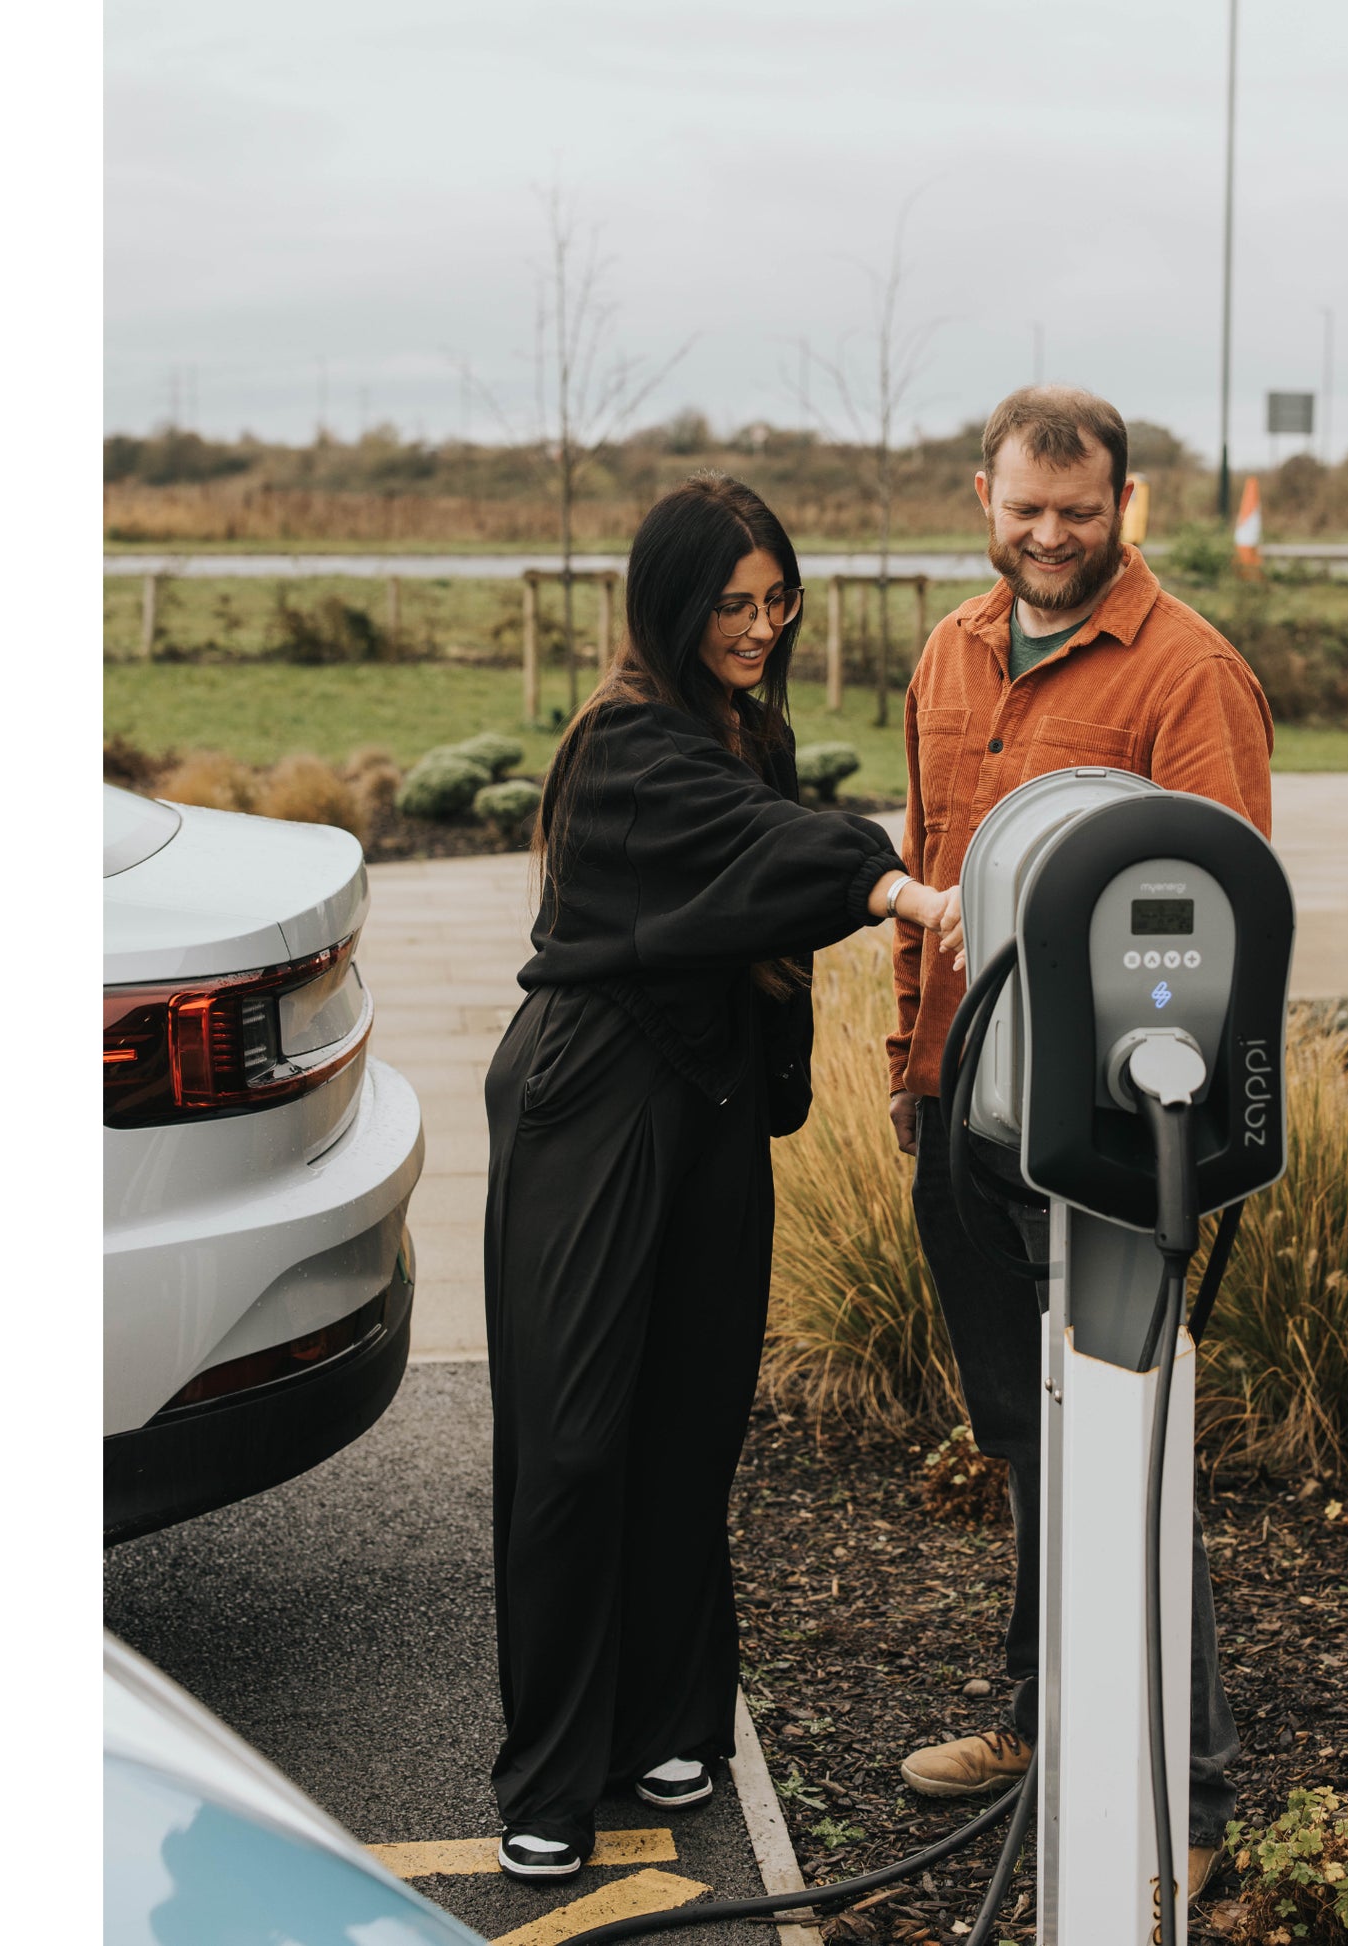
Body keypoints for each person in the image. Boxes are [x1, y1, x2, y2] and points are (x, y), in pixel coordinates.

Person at [484, 473, 962, 1883]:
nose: (755, 627)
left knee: (690, 1420)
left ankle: (667, 1716)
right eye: (729, 604)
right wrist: (889, 884)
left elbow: (753, 870)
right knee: (574, 1439)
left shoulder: (743, 728)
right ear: (668, 606)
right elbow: (761, 850)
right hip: (594, 1098)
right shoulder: (628, 748)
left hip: (699, 1105)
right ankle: (551, 1769)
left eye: (775, 600)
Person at [885, 387, 1273, 1902]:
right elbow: (931, 862)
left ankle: (1188, 1786)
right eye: (1023, 508)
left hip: (1104, 1147)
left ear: (1124, 503)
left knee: (1124, 1440)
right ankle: (1048, 1721)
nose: (1049, 537)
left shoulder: (1189, 672)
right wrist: (905, 1065)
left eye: (1078, 508)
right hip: (958, 1115)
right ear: (983, 494)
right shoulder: (951, 647)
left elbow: (1221, 922)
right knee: (1024, 1429)